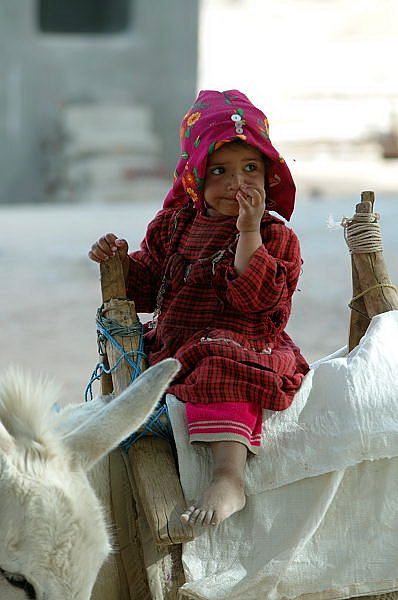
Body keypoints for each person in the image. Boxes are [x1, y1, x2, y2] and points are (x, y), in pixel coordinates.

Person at [88, 89, 309, 527]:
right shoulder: (176, 224)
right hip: (176, 341)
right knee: (142, 373)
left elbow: (257, 300)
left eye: (251, 168)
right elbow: (148, 287)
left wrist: (248, 232)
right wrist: (117, 263)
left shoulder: (276, 236)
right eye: (220, 171)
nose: (237, 183)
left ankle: (229, 477)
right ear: (194, 178)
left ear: (269, 176)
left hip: (242, 343)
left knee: (218, 363)